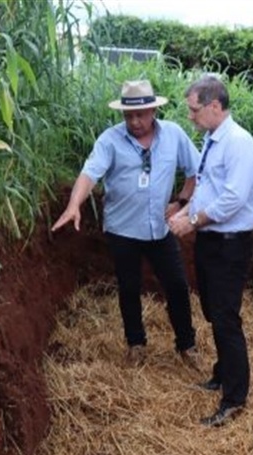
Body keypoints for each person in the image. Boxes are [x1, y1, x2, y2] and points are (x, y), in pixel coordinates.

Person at [52, 79, 202, 369]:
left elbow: (195, 171)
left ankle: (187, 345)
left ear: (153, 111)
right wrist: (74, 205)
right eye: (128, 115)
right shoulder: (110, 140)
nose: (134, 121)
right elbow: (89, 174)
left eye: (140, 115)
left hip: (160, 229)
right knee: (129, 288)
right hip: (122, 230)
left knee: (177, 286)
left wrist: (182, 202)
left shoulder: (174, 135)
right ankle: (136, 344)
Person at [168, 75, 253, 427]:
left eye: (194, 109)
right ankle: (223, 373)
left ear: (215, 106)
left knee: (225, 317)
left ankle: (234, 397)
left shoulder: (239, 143)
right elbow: (208, 187)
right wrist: (185, 211)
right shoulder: (211, 139)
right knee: (212, 309)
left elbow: (234, 199)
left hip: (230, 244)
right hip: (211, 239)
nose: (190, 116)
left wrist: (193, 221)